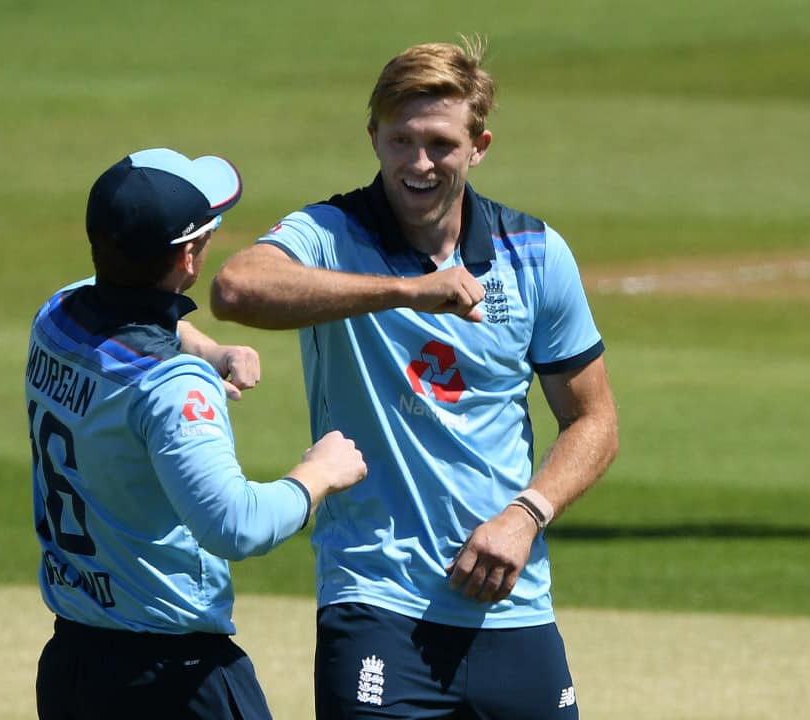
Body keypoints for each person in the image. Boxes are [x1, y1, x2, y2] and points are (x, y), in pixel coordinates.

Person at [210, 37, 619, 719]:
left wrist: (526, 515)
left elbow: (594, 420)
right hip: (377, 603)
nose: (419, 164)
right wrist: (404, 292)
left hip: (511, 603)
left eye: (441, 144)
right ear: (373, 137)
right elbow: (236, 288)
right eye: (401, 140)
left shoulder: (536, 253)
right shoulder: (331, 233)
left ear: (479, 146)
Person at [26, 147, 368, 720]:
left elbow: (128, 304)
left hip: (72, 666)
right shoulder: (171, 386)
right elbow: (235, 525)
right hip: (173, 680)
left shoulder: (56, 317)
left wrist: (211, 349)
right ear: (188, 257)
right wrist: (318, 474)